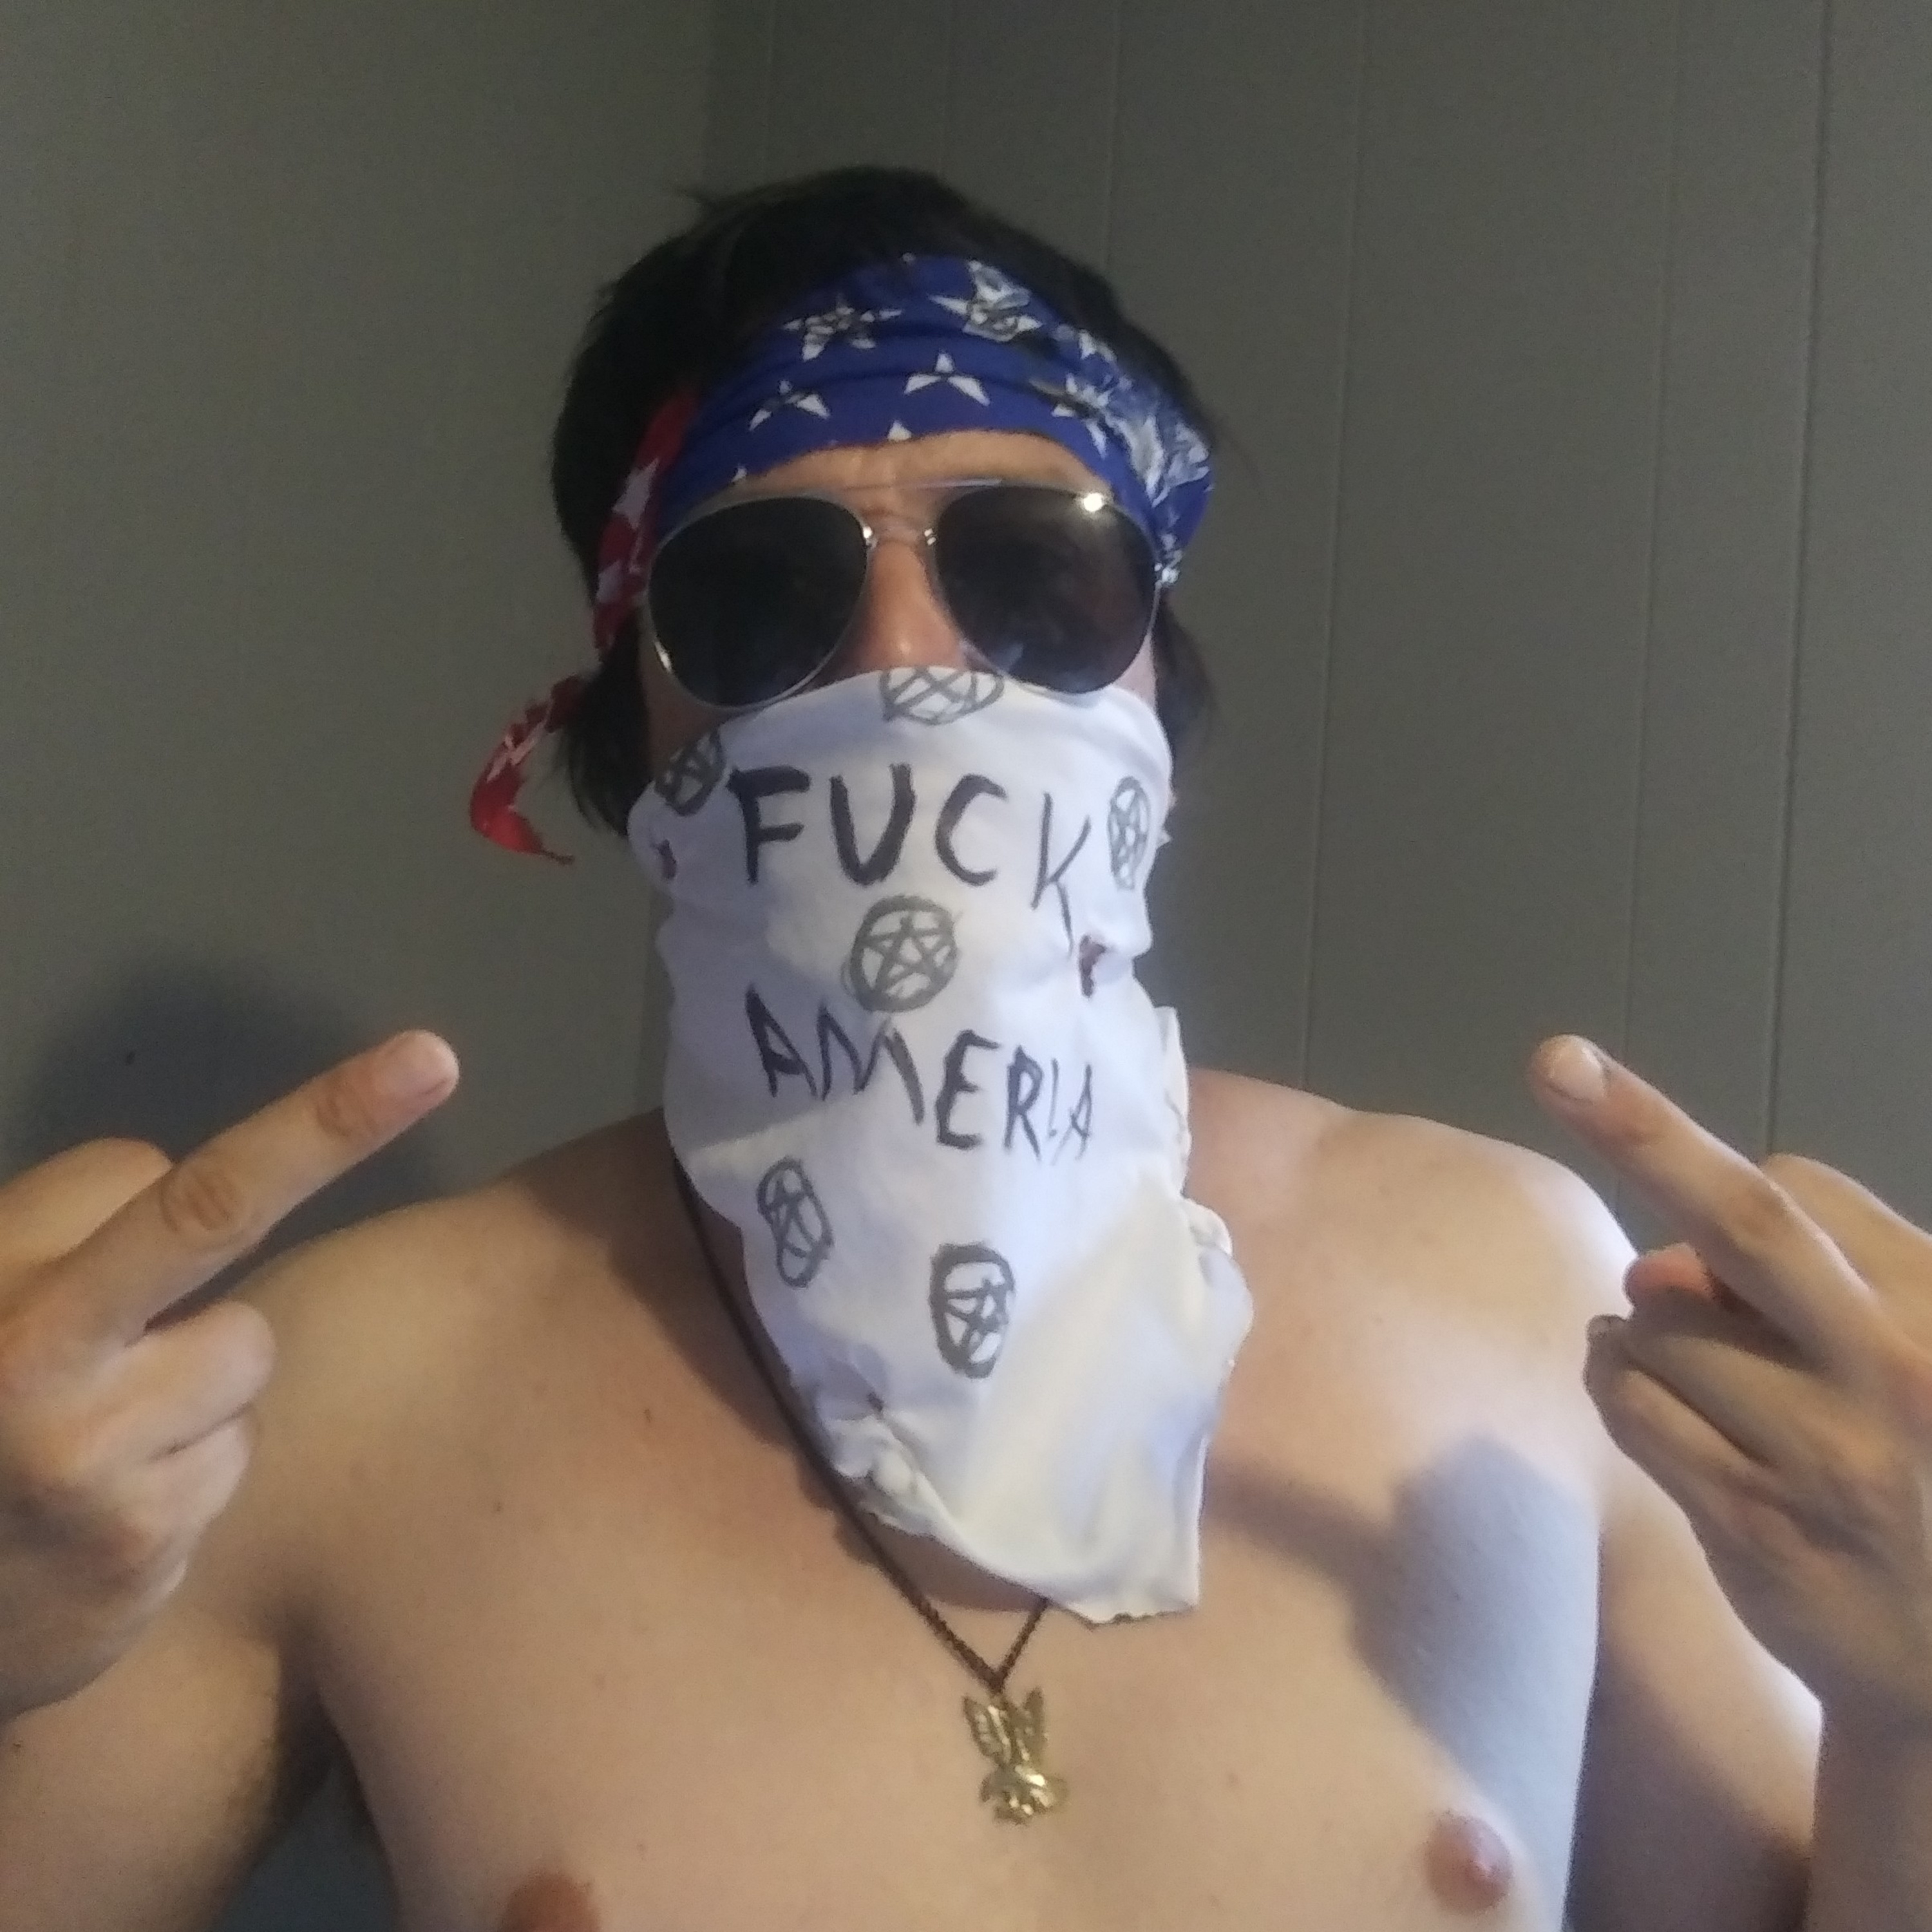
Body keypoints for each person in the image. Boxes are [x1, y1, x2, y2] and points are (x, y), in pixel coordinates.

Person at [0, 167, 1925, 1932]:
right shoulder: (343, 1401)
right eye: (764, 592)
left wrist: (1920, 1705)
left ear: (1151, 678)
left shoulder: (1518, 1296)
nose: (913, 667)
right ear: (633, 728)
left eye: (1032, 573)